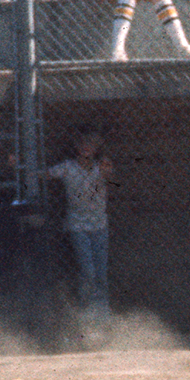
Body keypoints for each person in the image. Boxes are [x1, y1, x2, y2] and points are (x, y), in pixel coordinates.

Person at [46, 125, 116, 329]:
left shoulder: (101, 166)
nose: (86, 146)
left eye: (92, 143)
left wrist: (107, 171)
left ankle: (103, 316)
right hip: (77, 224)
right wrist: (18, 166)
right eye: (82, 143)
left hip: (99, 225)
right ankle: (87, 313)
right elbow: (44, 174)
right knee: (88, 271)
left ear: (97, 147)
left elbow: (111, 178)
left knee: (101, 272)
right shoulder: (68, 167)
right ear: (76, 146)